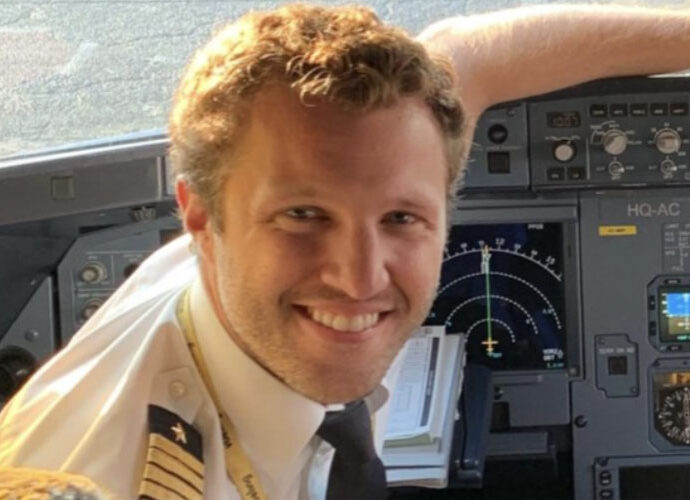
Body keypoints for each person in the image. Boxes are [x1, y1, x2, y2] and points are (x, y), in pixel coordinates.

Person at [0, 3, 689, 499]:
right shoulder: (102, 476)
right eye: (304, 216)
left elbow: (467, 51)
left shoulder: (386, 141)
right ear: (201, 216)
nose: (359, 276)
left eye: (400, 217)